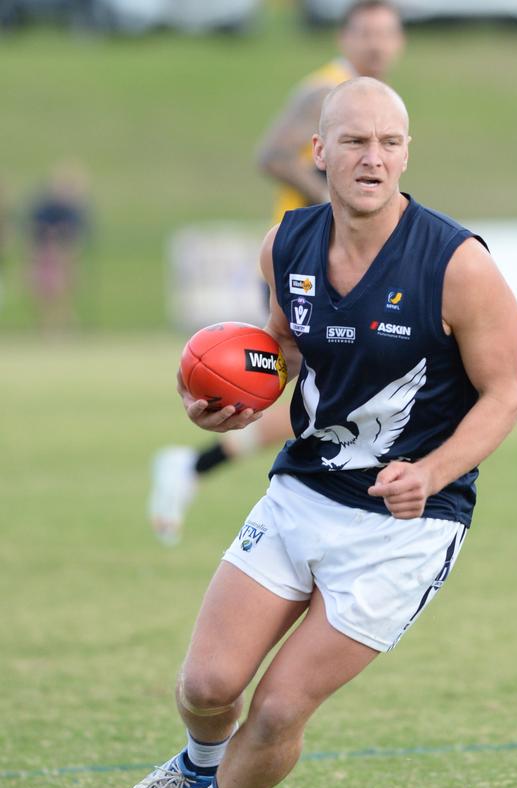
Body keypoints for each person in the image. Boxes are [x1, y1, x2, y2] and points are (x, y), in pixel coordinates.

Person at [113, 77, 517, 788]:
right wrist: (229, 405)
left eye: (391, 143)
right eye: (357, 141)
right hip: (305, 487)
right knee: (206, 686)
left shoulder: (457, 264)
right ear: (320, 152)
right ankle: (197, 763)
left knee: (274, 710)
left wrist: (432, 472)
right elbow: (285, 349)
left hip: (405, 523)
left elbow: (505, 394)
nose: (374, 159)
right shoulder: (286, 244)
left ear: (407, 153)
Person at [148, 0, 405, 545]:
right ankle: (204, 471)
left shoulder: (374, 107)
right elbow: (271, 153)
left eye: (387, 32)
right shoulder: (326, 90)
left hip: (344, 259)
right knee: (326, 389)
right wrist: (337, 207)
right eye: (366, 32)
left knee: (340, 390)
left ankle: (196, 469)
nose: (377, 43)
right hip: (310, 262)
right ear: (345, 35)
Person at [24, 161, 90, 333]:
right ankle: (46, 326)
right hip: (44, 254)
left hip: (64, 255)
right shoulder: (44, 207)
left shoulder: (74, 210)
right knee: (43, 292)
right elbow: (34, 231)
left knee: (65, 291)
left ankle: (64, 324)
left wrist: (69, 255)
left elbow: (77, 237)